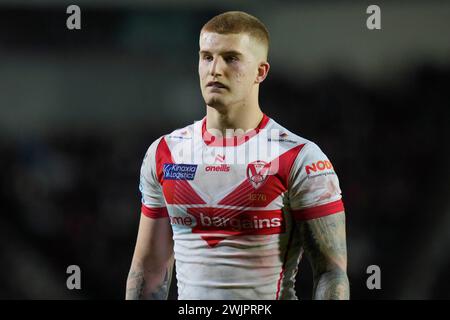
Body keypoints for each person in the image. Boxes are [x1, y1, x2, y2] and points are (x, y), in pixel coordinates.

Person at [126, 11, 349, 300]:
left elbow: (331, 273)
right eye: (207, 57)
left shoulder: (299, 158)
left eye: (231, 58)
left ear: (261, 71)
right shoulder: (165, 153)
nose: (215, 69)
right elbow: (150, 269)